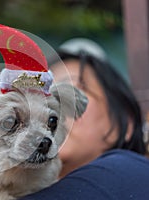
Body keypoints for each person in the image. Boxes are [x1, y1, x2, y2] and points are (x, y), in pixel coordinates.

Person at [21, 38, 149, 200]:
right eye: (40, 97)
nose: (48, 108)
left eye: (70, 91)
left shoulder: (128, 171)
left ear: (126, 122)